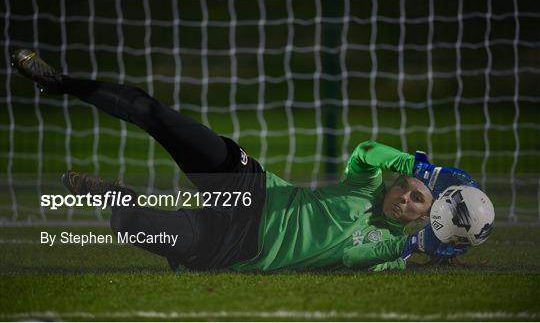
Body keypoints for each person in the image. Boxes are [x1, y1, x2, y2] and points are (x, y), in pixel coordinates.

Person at [11, 49, 478, 272]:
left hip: (235, 248)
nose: (407, 198)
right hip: (253, 187)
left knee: (138, 227)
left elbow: (368, 255)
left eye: (420, 200)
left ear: (425, 217)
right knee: (159, 117)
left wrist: (424, 250)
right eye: (409, 186)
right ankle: (60, 83)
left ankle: (110, 195)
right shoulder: (367, 186)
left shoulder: (390, 250)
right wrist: (425, 168)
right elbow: (366, 152)